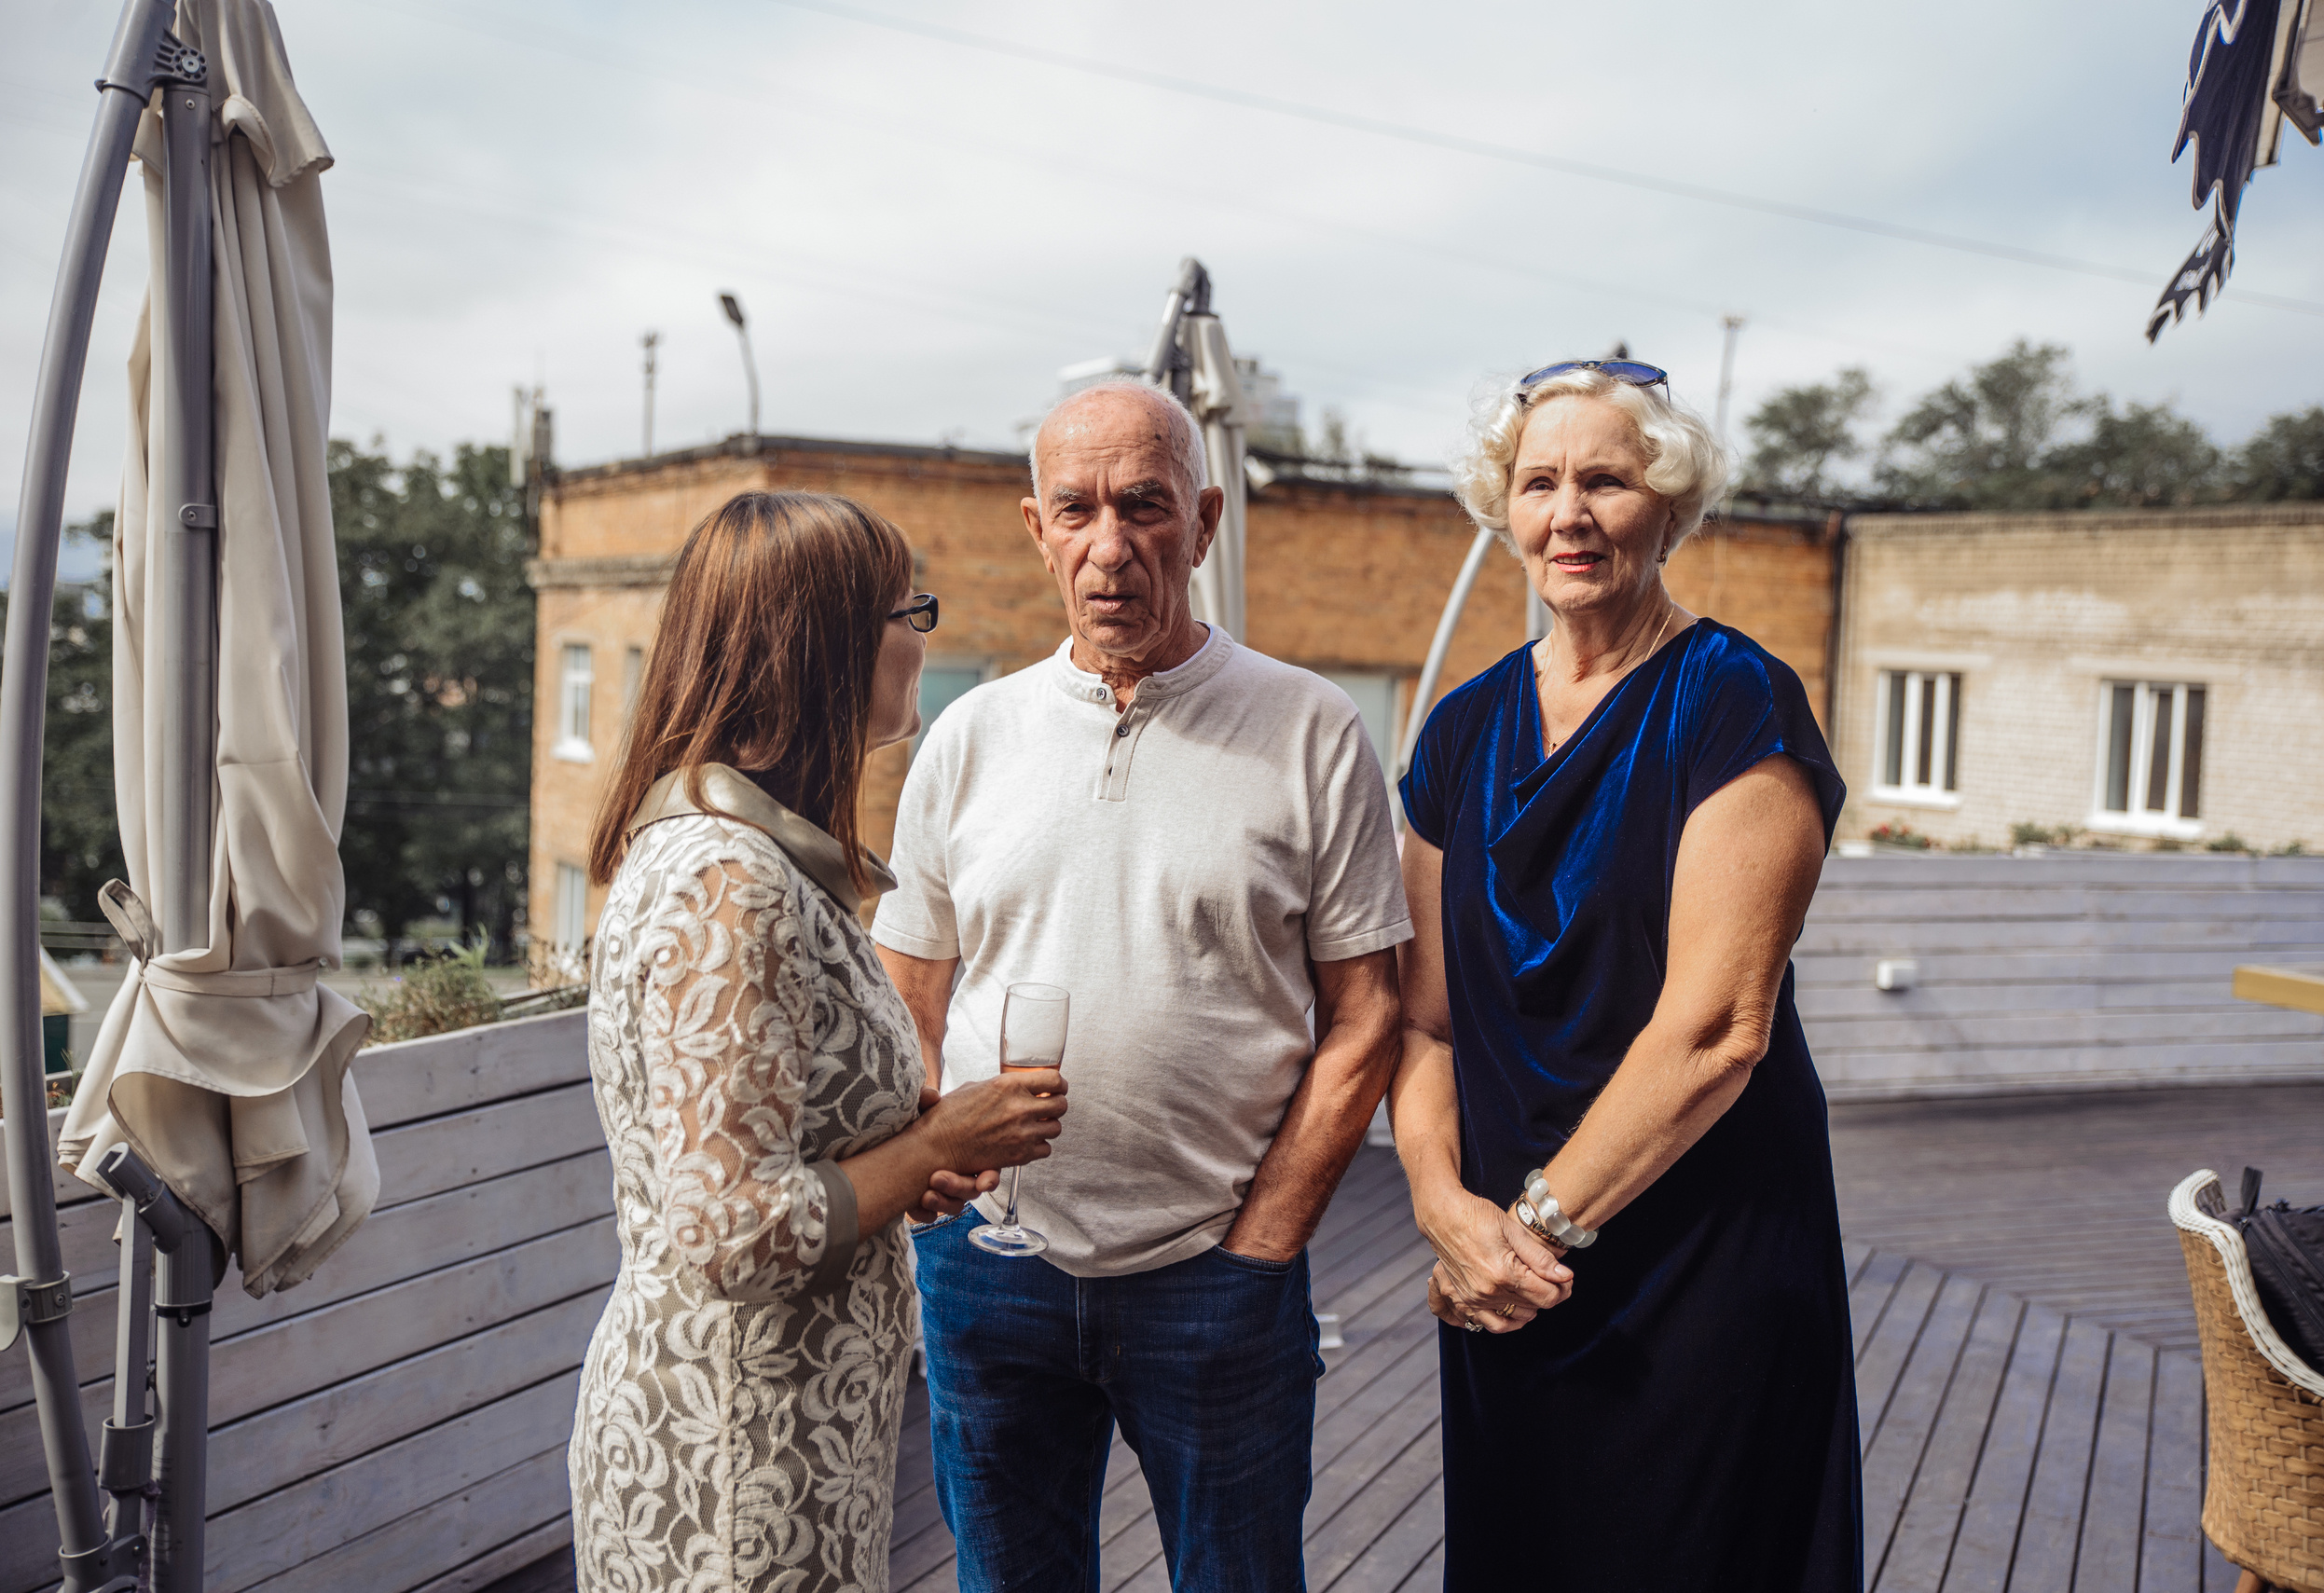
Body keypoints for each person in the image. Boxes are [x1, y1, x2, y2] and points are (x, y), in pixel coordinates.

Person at [873, 381, 1411, 1592]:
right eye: (1078, 510)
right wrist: (927, 1152)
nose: (1109, 546)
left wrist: (1264, 1242)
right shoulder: (971, 735)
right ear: (1036, 525)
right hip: (989, 1266)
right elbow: (907, 981)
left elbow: (1368, 1013)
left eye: (1144, 507)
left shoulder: (1312, 728)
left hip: (1215, 1272)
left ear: (1204, 519)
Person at [1390, 361, 1861, 1591]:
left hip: (1694, 1260)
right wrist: (1447, 1211)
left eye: (1607, 478)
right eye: (1540, 482)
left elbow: (1718, 1028)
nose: (1570, 513)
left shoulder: (1733, 699)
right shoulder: (1458, 731)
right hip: (1503, 1275)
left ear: (1668, 504)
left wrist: (1529, 1233)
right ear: (1505, 507)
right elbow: (1428, 1028)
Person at [567, 490, 1068, 1593]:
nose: (923, 636)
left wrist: (899, 1161)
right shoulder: (727, 881)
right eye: (910, 609)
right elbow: (731, 1233)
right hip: (733, 1456)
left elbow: (770, 1151)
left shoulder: (741, 854)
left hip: (781, 1432)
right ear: (830, 644)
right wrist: (940, 1145)